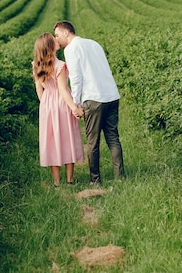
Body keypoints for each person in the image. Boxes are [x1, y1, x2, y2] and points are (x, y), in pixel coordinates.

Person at [53, 20, 125, 185]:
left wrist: (76, 103)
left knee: (92, 142)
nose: (56, 40)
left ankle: (95, 180)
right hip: (111, 95)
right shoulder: (94, 44)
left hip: (94, 98)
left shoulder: (71, 49)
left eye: (57, 35)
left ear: (66, 32)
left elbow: (76, 78)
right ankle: (120, 177)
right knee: (113, 138)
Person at [32, 32, 84, 186]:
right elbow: (62, 89)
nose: (56, 40)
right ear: (50, 47)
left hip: (47, 104)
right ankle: (70, 180)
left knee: (51, 140)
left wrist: (46, 104)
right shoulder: (60, 65)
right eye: (53, 39)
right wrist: (74, 107)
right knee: (67, 137)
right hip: (61, 103)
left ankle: (56, 182)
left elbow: (38, 89)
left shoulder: (36, 65)